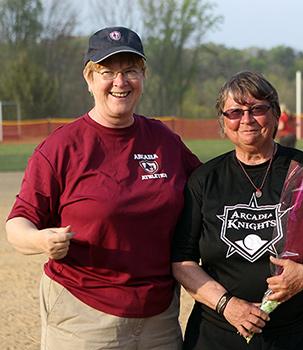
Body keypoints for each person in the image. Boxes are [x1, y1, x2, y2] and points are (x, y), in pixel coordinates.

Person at [5, 26, 201, 349]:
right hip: (83, 316)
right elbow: (18, 223)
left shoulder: (165, 142)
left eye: (130, 71)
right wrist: (41, 239)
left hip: (159, 319)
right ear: (89, 79)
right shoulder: (61, 147)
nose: (120, 82)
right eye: (107, 71)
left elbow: (212, 192)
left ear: (143, 75)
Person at [171, 71, 303, 350]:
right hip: (222, 334)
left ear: (275, 114)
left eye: (258, 109)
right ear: (223, 121)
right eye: (235, 112)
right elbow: (182, 261)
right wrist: (227, 305)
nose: (247, 119)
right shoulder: (204, 180)